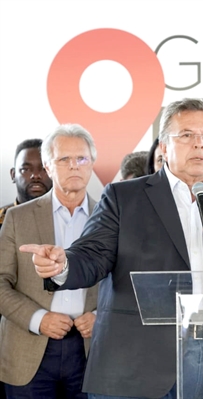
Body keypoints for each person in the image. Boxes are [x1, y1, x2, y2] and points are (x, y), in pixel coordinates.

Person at [22, 98, 203, 399]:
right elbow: (92, 256)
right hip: (139, 362)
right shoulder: (124, 196)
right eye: (186, 135)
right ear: (163, 146)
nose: (199, 144)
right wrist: (63, 265)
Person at [0, 124, 98, 398]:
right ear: (48, 165)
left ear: (92, 163)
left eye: (82, 158)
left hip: (92, 348)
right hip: (28, 349)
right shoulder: (18, 217)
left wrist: (101, 318)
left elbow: (126, 282)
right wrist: (38, 318)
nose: (74, 166)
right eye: (64, 159)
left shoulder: (112, 217)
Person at [0, 139, 53, 228]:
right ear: (13, 175)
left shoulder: (68, 218)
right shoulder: (2, 220)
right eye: (26, 169)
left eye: (44, 169)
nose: (36, 176)